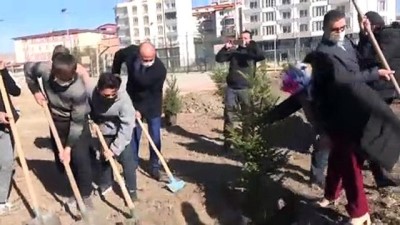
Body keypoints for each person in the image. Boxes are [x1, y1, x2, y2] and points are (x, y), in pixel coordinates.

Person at [310, 9, 397, 224]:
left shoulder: (346, 43)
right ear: (326, 29)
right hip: (337, 112)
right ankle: (360, 213)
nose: (340, 32)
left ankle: (331, 194)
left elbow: (361, 59)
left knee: (340, 156)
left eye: (343, 28)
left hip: (355, 106)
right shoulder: (323, 52)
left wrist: (366, 33)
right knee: (349, 160)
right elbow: (343, 79)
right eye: (335, 29)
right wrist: (374, 74)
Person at [24, 52, 94, 209]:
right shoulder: (44, 69)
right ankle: (73, 190)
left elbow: (77, 123)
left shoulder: (78, 91)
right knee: (62, 162)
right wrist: (35, 90)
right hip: (55, 119)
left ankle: (85, 195)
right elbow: (28, 69)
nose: (64, 84)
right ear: (53, 72)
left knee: (80, 159)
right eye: (61, 80)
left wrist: (68, 148)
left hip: (75, 123)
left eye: (67, 81)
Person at [263, 63, 330, 189]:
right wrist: (264, 119)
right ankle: (317, 179)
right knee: (321, 147)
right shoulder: (302, 93)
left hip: (333, 121)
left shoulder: (322, 89)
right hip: (320, 126)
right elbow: (285, 108)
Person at [357, 11, 398, 188]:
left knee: (374, 134)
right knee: (370, 134)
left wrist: (366, 37)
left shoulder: (390, 37)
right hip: (378, 91)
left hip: (382, 91)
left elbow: (369, 59)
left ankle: (377, 172)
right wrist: (364, 35)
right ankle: (378, 175)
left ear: (373, 25)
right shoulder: (379, 36)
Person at [89, 72, 138, 201]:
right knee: (104, 159)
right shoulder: (91, 93)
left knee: (128, 162)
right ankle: (106, 184)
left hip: (120, 131)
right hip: (104, 131)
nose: (110, 97)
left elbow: (127, 127)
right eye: (106, 95)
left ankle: (131, 190)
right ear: (99, 90)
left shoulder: (124, 100)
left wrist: (114, 149)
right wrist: (92, 121)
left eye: (113, 94)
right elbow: (87, 109)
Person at [215, 30, 265, 151]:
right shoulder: (234, 52)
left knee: (247, 117)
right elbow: (219, 59)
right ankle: (228, 142)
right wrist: (225, 48)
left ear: (251, 40)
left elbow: (260, 55)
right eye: (242, 38)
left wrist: (251, 44)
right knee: (229, 116)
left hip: (246, 89)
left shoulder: (252, 53)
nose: (244, 40)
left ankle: (247, 141)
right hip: (231, 89)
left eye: (246, 38)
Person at [124, 42, 166, 181]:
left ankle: (154, 165)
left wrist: (139, 110)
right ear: (139, 55)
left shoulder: (159, 70)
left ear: (155, 55)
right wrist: (115, 73)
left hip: (152, 103)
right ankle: (133, 162)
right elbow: (118, 56)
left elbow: (147, 90)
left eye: (150, 60)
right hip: (134, 100)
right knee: (134, 134)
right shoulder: (131, 57)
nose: (148, 62)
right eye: (145, 59)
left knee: (154, 136)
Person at [0, 61, 21, 215]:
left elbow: (15, 91)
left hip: (5, 127)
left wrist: (4, 72)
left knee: (6, 163)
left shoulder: (1, 74)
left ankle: (1, 201)